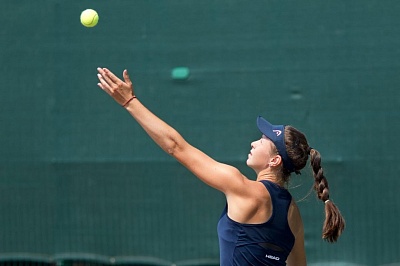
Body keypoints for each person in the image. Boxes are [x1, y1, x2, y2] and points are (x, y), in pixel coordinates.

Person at [96, 67, 345, 266]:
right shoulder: (293, 213)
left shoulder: (242, 187)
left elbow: (176, 146)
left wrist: (130, 101)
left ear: (275, 160)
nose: (254, 142)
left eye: (263, 140)